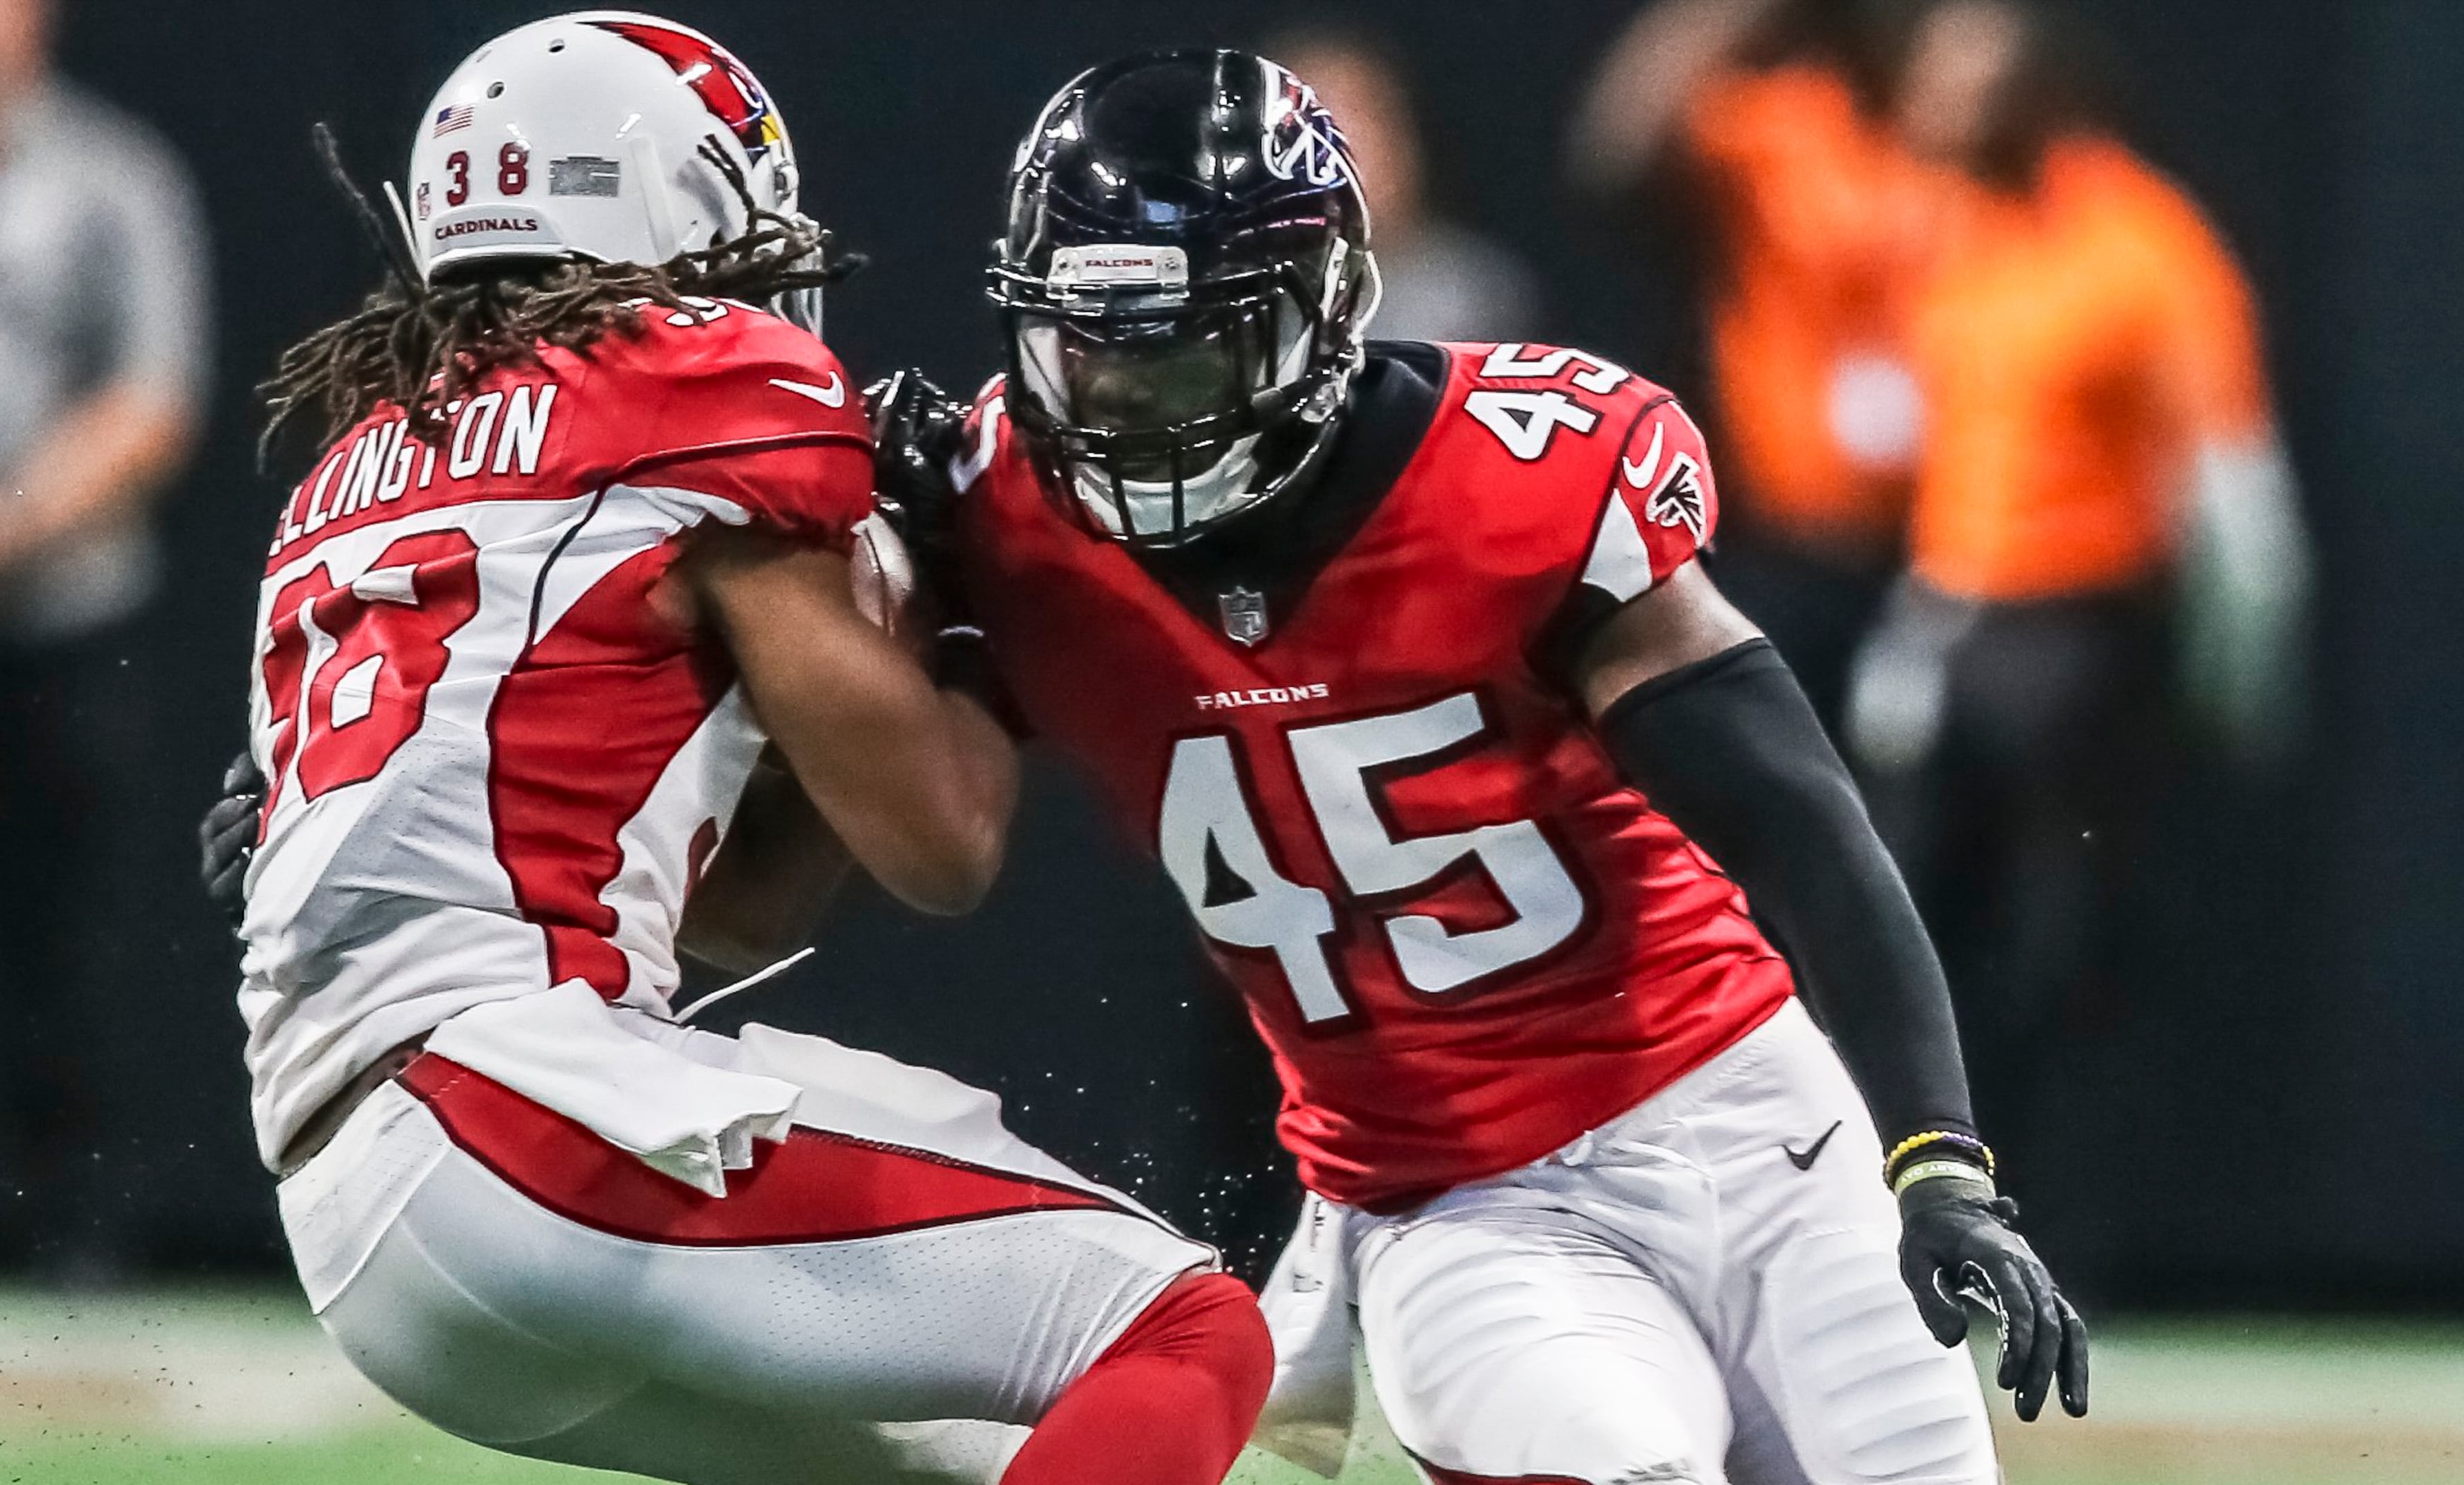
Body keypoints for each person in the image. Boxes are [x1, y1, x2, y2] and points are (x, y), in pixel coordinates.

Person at [877, 50, 2084, 1485]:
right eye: (1091, 346)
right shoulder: (994, 515)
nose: (1130, 405)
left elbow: (1804, 828)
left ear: (1313, 316)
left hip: (1756, 1131)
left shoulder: (1517, 477)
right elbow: (926, 833)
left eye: (1184, 350)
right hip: (1456, 1206)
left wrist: (1938, 1157)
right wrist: (864, 565)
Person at [197, 16, 1267, 1484]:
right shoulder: (686, 382)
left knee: (955, 1457)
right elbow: (943, 845)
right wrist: (966, 605)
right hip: (512, 1108)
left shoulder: (354, 466)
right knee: (1185, 1331)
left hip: (356, 1216)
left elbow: (738, 911)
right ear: (664, 198)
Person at [1846, 0, 2311, 1154]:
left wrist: (2240, 677)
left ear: (2036, 84)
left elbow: (2236, 492)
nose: (1933, 94)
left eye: (1967, 70)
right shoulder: (1942, 226)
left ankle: (2061, 1232)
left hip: (2080, 638)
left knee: (2059, 952)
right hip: (1952, 621)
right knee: (1899, 931)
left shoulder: (2140, 240)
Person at [0, 0, 206, 1272]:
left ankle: (74, 1220)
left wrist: (3, 524)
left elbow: (151, 395)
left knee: (56, 935)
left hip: (57, 617)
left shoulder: (111, 176)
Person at [1572, 0, 1936, 736]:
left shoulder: (1963, 137)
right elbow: (1618, 153)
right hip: (1796, 542)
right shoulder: (1789, 123)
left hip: (1956, 552)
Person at [1270, 21, 1540, 343]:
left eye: (1361, 117)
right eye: (1308, 125)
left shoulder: (1472, 292)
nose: (1342, 146)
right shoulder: (1228, 296)